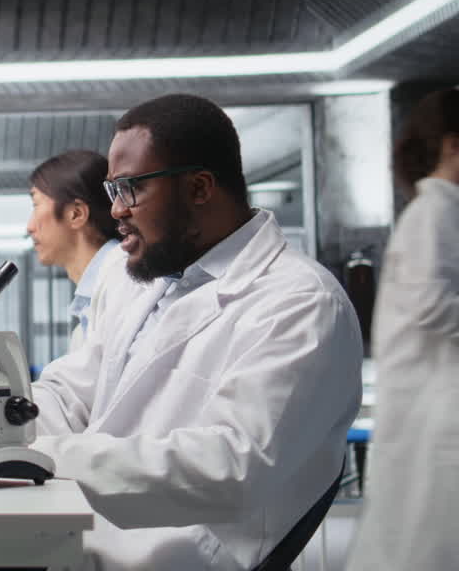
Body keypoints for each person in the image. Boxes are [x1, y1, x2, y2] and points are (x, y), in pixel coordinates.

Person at [28, 94, 363, 570]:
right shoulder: (142, 280)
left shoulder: (301, 303)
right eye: (111, 192)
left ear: (200, 188)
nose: (117, 211)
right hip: (88, 536)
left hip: (176, 558)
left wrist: (45, 458)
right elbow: (74, 393)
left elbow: (229, 467)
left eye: (129, 189)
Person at [347, 88, 459, 571]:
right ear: (453, 145)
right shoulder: (434, 212)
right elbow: (430, 304)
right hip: (432, 414)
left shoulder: (440, 210)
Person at [26, 149, 123, 352]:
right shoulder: (88, 308)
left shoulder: (123, 280)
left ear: (76, 214)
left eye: (36, 205)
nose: (30, 227)